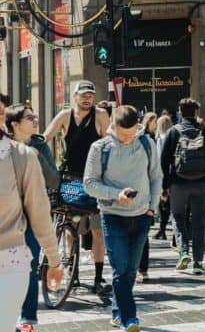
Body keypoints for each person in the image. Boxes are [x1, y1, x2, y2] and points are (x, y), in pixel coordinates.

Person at [84, 105, 163, 331]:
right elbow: (89, 184)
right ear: (113, 126)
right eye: (124, 134)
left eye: (133, 133)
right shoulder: (100, 148)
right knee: (120, 267)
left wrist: (152, 208)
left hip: (142, 215)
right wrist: (115, 195)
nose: (129, 139)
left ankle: (117, 312)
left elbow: (156, 176)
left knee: (130, 270)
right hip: (112, 215)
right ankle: (130, 318)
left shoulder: (146, 143)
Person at [43, 80, 112, 295]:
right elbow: (45, 139)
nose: (87, 98)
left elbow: (110, 143)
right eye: (83, 95)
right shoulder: (65, 116)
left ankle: (99, 277)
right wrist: (46, 168)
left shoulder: (100, 115)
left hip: (94, 180)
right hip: (71, 179)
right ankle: (73, 270)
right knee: (71, 228)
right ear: (74, 96)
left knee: (97, 230)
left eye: (90, 95)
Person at [0, 125, 63, 331]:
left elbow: (40, 212)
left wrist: (54, 261)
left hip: (10, 254)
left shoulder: (24, 154)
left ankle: (27, 318)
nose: (34, 121)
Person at [161, 98, 205, 275]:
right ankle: (198, 262)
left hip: (179, 183)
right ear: (197, 112)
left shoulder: (174, 132)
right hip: (202, 183)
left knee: (178, 217)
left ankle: (183, 251)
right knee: (199, 221)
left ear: (180, 112)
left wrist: (166, 184)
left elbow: (164, 160)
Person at [137, 113, 159, 283]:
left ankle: (142, 269)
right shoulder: (108, 143)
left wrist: (153, 203)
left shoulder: (147, 141)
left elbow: (155, 174)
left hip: (143, 197)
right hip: (119, 202)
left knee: (142, 235)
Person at [153, 116, 173, 240]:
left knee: (163, 203)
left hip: (161, 173)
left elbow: (160, 158)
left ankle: (162, 229)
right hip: (173, 173)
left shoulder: (159, 139)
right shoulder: (172, 137)